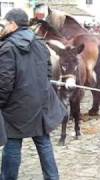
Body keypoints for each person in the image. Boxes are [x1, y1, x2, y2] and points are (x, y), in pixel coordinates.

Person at [0, 9, 67, 180]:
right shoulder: (40, 43)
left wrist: (0, 103)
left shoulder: (7, 47)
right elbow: (48, 72)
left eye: (5, 23)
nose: (4, 27)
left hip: (16, 106)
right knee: (43, 142)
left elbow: (4, 83)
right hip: (40, 102)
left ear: (13, 24)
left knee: (13, 145)